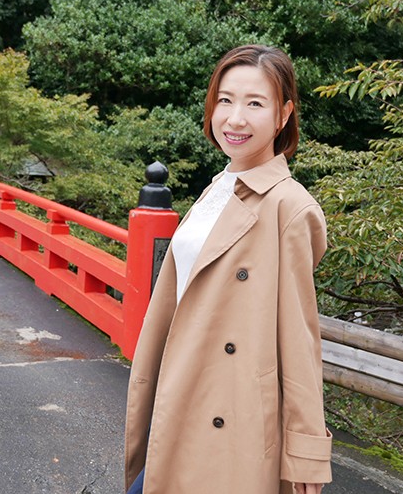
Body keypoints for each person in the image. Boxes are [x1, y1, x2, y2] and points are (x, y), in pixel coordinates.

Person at [124, 45, 332, 494]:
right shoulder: (220, 186)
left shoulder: (289, 208)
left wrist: (306, 454)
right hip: (178, 392)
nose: (235, 119)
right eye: (225, 100)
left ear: (283, 114)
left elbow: (299, 339)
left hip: (228, 415)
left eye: (255, 103)